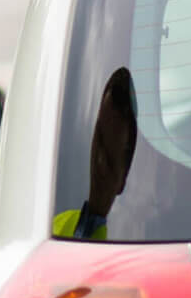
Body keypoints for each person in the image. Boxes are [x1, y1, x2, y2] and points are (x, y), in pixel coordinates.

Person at [54, 67, 138, 240]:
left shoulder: (123, 242)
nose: (100, 161)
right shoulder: (56, 225)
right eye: (99, 139)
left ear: (124, 176)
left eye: (109, 155)